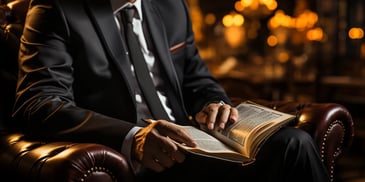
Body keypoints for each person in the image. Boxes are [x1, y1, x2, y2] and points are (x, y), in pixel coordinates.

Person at [12, 0, 330, 181]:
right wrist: (132, 138)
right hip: (128, 158)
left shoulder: (170, 5)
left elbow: (197, 78)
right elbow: (38, 103)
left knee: (295, 143)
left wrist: (214, 102)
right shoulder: (57, 9)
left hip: (192, 142)